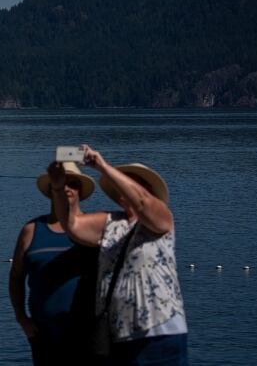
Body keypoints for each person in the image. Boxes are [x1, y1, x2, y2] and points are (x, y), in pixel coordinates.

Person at [48, 145, 188, 365]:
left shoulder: (162, 219)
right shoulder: (111, 222)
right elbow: (72, 225)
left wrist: (102, 166)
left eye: (130, 182)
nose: (124, 187)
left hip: (159, 333)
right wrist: (57, 189)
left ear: (146, 190)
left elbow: (142, 203)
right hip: (118, 336)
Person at [9, 162, 101, 365]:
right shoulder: (31, 230)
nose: (67, 188)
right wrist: (21, 318)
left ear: (80, 191)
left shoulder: (95, 227)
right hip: (43, 334)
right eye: (60, 182)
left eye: (73, 184)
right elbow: (16, 276)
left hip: (87, 333)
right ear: (51, 189)